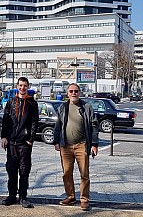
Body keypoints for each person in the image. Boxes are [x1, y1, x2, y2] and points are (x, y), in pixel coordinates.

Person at [53, 83, 99, 211]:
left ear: (80, 92)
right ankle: (70, 196)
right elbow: (58, 125)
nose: (74, 93)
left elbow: (94, 126)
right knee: (66, 173)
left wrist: (94, 144)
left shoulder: (86, 107)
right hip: (65, 146)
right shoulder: (63, 107)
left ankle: (84, 199)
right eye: (71, 91)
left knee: (84, 174)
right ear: (67, 93)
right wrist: (56, 141)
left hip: (81, 145)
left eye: (76, 91)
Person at [0, 77, 39, 209]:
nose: (22, 88)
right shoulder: (11, 102)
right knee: (11, 170)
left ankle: (23, 197)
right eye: (20, 85)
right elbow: (5, 120)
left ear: (28, 87)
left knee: (24, 171)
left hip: (24, 143)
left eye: (25, 86)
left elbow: (35, 123)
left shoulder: (32, 103)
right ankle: (11, 196)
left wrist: (31, 138)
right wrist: (4, 136)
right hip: (11, 142)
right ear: (17, 86)